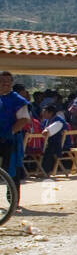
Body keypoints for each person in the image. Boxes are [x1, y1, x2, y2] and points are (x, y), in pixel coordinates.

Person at [0, 72, 30, 202]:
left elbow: (24, 119)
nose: (5, 83)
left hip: (9, 140)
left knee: (11, 170)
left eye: (8, 81)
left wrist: (9, 133)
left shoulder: (17, 100)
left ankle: (13, 200)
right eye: (2, 80)